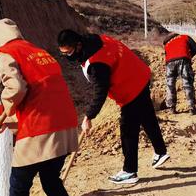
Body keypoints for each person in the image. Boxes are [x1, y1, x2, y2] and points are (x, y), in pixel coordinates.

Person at [0, 19, 79, 196]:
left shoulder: (5, 52)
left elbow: (16, 89)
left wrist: (4, 115)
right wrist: (4, 122)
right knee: (51, 180)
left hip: (40, 128)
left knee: (18, 184)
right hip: (64, 124)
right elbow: (40, 94)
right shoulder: (39, 52)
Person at [57, 30, 169, 185]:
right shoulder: (96, 40)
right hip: (139, 74)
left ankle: (130, 171)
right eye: (63, 54)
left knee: (128, 129)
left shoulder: (96, 63)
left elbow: (100, 92)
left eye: (69, 53)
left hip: (130, 87)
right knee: (147, 116)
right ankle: (161, 151)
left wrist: (89, 116)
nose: (68, 57)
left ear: (78, 45)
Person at [162, 32, 196, 115]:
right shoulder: (184, 37)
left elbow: (167, 56)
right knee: (187, 83)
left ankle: (171, 108)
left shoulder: (167, 44)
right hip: (183, 60)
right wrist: (189, 57)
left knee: (170, 85)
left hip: (169, 63)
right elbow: (195, 47)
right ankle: (191, 108)